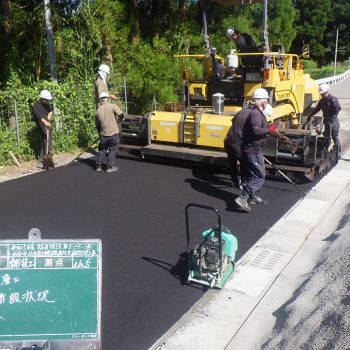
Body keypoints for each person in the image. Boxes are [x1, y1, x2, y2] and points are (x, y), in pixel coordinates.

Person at [234, 88, 288, 213]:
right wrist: (269, 131)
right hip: (252, 150)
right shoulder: (256, 114)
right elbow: (256, 130)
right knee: (259, 175)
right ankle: (244, 197)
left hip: (253, 148)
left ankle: (252, 196)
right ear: (262, 102)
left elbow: (265, 129)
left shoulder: (257, 113)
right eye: (266, 100)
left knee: (254, 174)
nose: (267, 103)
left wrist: (280, 136)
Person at [302, 83, 341, 159]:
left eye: (322, 93)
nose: (321, 95)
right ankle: (326, 152)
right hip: (326, 120)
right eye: (321, 93)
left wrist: (333, 116)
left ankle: (338, 152)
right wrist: (310, 116)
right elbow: (317, 109)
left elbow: (338, 108)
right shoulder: (322, 101)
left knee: (334, 136)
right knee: (326, 136)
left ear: (326, 92)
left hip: (333, 121)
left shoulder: (333, 99)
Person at [95, 92, 124, 173]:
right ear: (108, 98)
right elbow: (121, 115)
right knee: (113, 150)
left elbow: (98, 126)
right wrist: (117, 121)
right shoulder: (113, 106)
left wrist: (100, 135)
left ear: (100, 100)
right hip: (113, 134)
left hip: (103, 135)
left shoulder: (97, 111)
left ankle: (98, 166)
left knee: (102, 150)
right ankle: (109, 167)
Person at [224, 105, 252, 189]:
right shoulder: (254, 115)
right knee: (244, 161)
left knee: (232, 162)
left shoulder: (242, 111)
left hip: (229, 139)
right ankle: (243, 182)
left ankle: (234, 181)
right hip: (237, 141)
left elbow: (233, 121)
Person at [32, 89, 54, 169]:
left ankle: (47, 160)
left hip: (48, 124)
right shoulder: (36, 106)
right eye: (46, 100)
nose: (48, 101)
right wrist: (46, 122)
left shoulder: (47, 104)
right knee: (45, 141)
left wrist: (48, 118)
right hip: (41, 125)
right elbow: (40, 118)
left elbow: (51, 111)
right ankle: (40, 161)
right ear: (42, 99)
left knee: (49, 142)